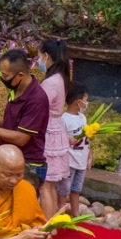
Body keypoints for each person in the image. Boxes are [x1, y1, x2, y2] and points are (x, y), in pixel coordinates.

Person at [0, 48, 50, 187]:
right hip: (10, 161)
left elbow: (21, 138)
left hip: (26, 166)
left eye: (5, 75)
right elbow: (11, 122)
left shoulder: (36, 98)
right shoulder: (15, 90)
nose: (2, 79)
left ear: (20, 75)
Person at [37, 39, 73, 207]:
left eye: (38, 56)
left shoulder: (50, 82)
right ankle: (51, 224)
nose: (37, 61)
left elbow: (40, 107)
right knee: (49, 184)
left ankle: (47, 227)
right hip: (55, 128)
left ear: (46, 56)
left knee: (45, 184)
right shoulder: (61, 78)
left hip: (48, 131)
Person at [61, 80, 93, 213]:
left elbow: (87, 138)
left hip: (81, 161)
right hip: (69, 162)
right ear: (78, 102)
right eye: (86, 100)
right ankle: (60, 216)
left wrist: (90, 155)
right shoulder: (64, 119)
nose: (87, 103)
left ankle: (75, 215)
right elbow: (59, 139)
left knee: (76, 190)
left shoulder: (82, 118)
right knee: (63, 191)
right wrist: (68, 140)